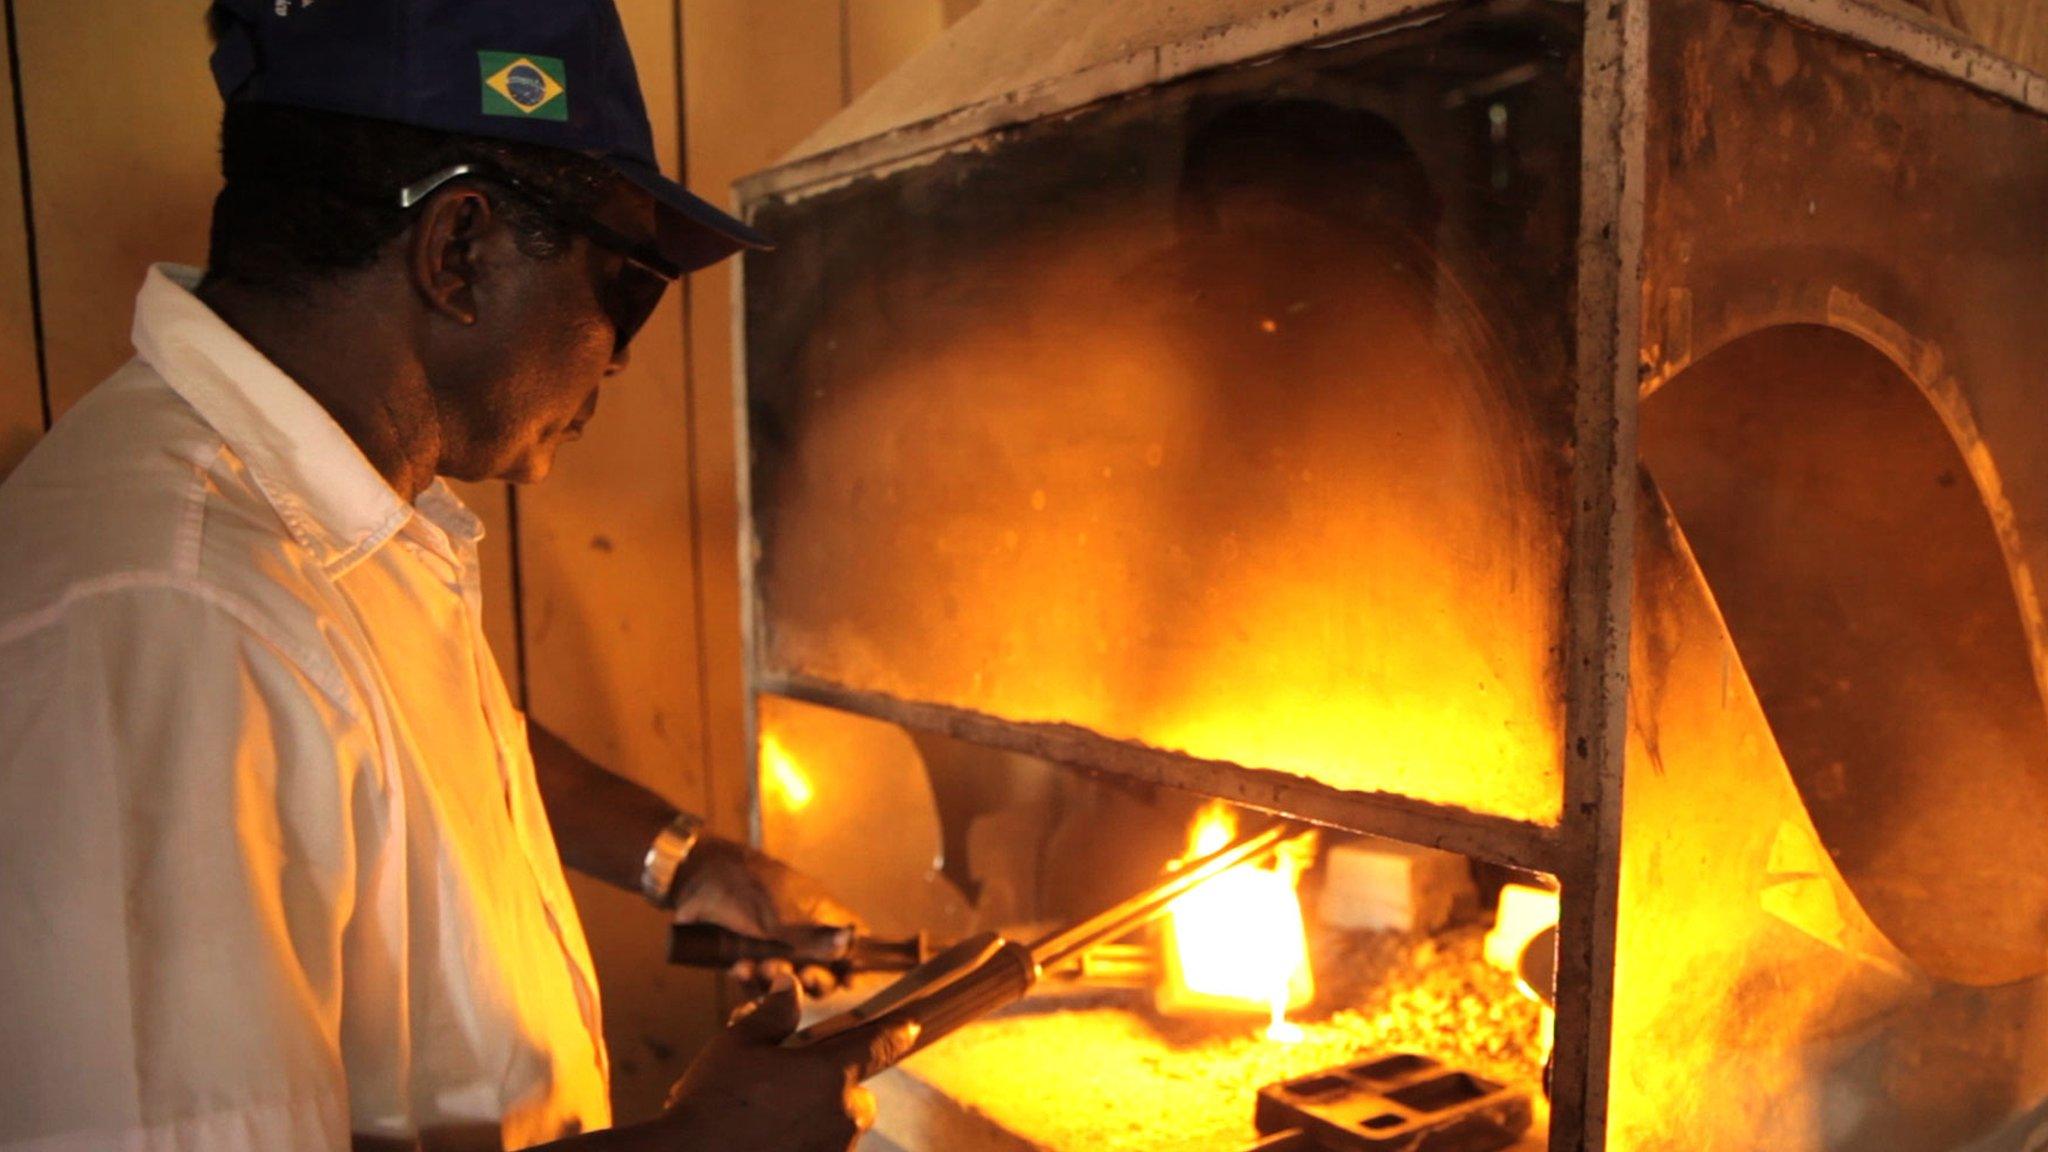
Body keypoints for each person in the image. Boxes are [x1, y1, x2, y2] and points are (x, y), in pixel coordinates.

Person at [0, 2, 911, 1149]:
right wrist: (712, 1141)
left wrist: (688, 861)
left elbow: (397, 746)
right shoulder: (169, 618)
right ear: (458, 249)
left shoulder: (318, 519)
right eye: (625, 283)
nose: (621, 355)